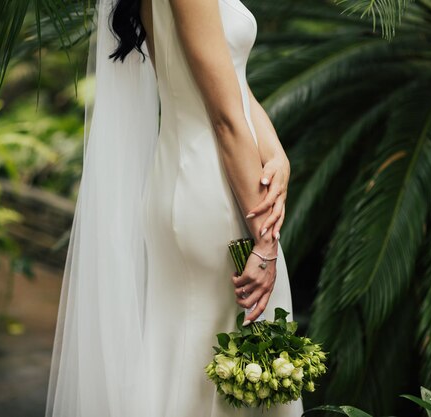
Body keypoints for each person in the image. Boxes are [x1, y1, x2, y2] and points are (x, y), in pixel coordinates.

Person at [44, 0, 303, 415]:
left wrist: (278, 156)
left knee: (187, 358)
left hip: (201, 179)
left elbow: (235, 85)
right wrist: (266, 241)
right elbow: (223, 117)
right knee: (217, 360)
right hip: (213, 187)